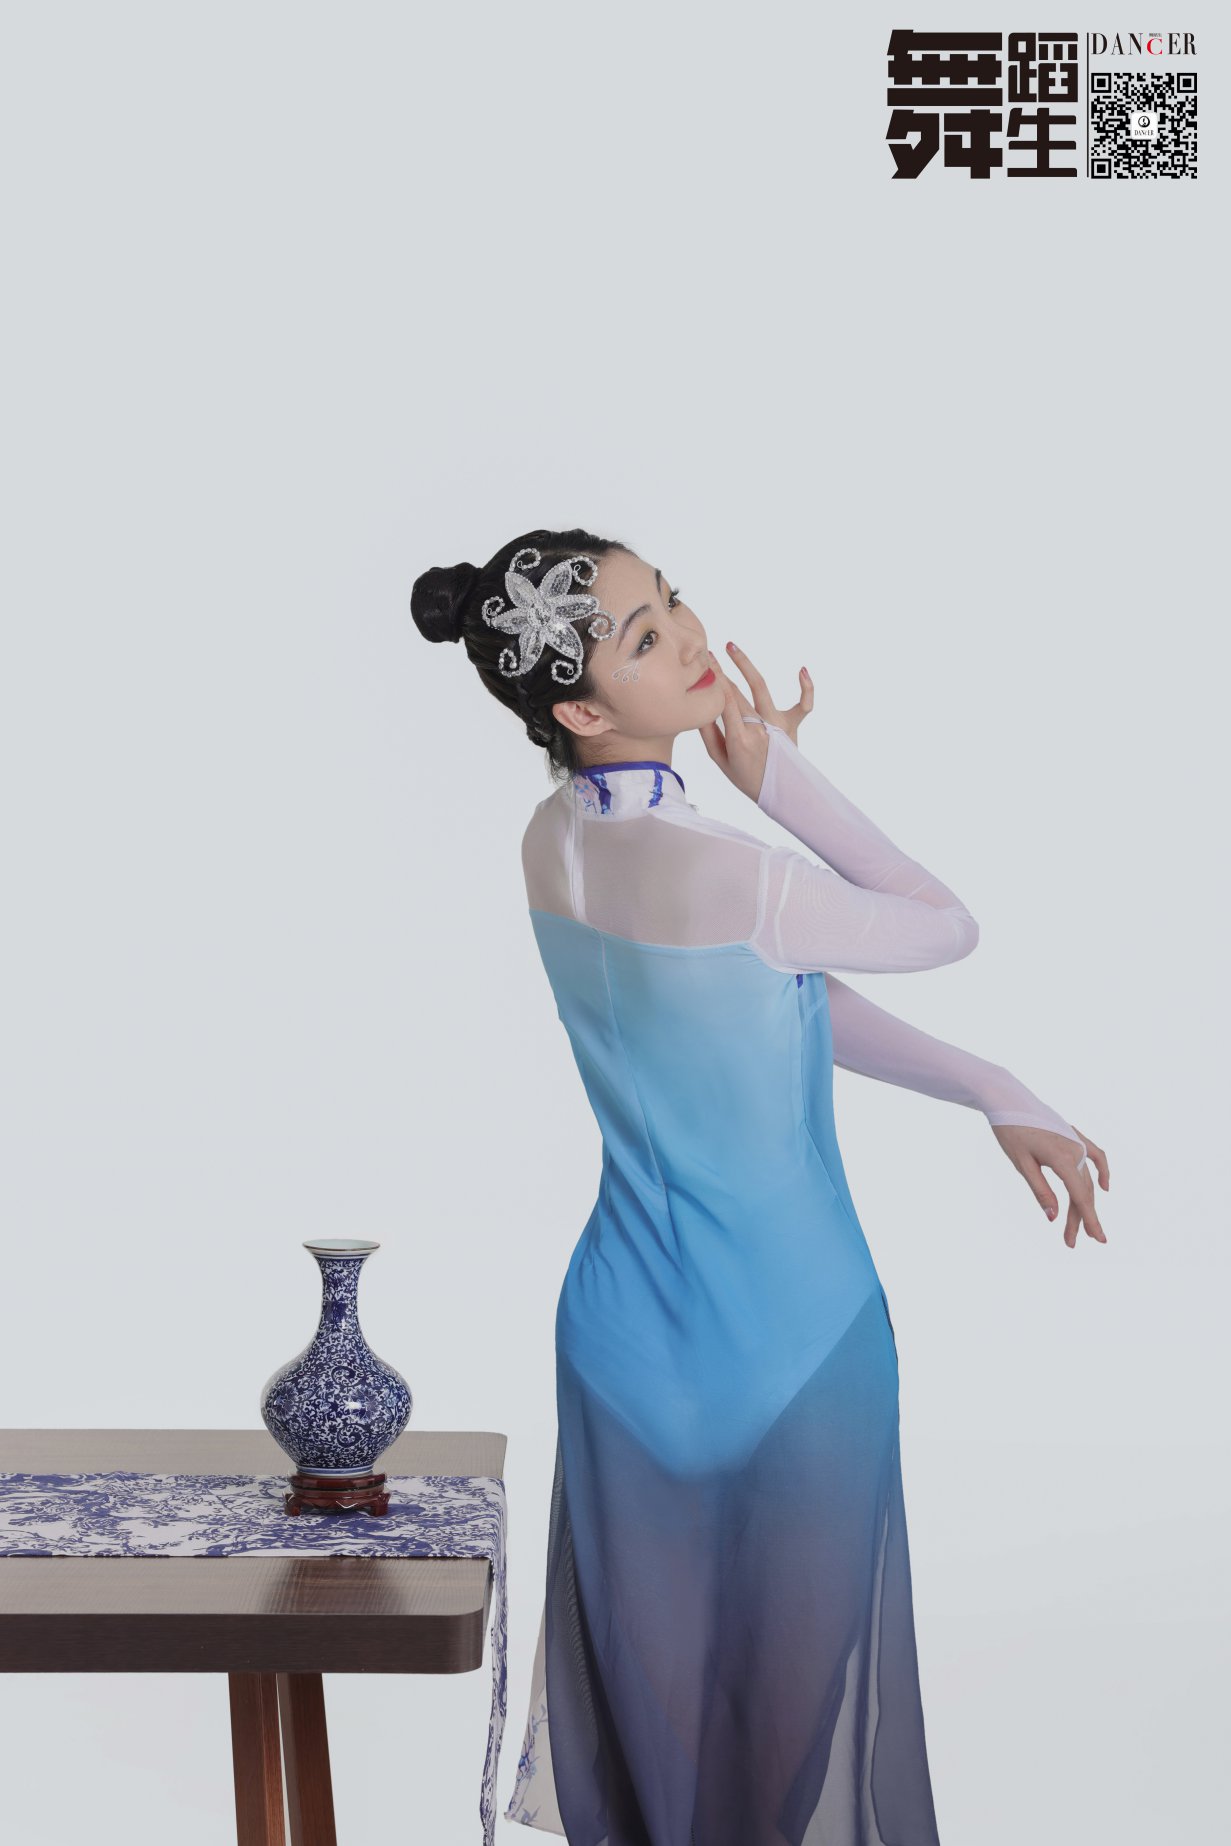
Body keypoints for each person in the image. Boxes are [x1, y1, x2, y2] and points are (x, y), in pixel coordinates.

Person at [411, 529, 1109, 1846]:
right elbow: (944, 924)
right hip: (796, 1343)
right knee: (775, 1773)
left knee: (665, 1770)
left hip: (623, 1343)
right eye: (643, 637)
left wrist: (988, 1085)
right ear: (581, 709)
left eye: (671, 600)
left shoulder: (549, 845)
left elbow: (763, 1006)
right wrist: (784, 777)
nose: (689, 638)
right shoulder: (733, 870)